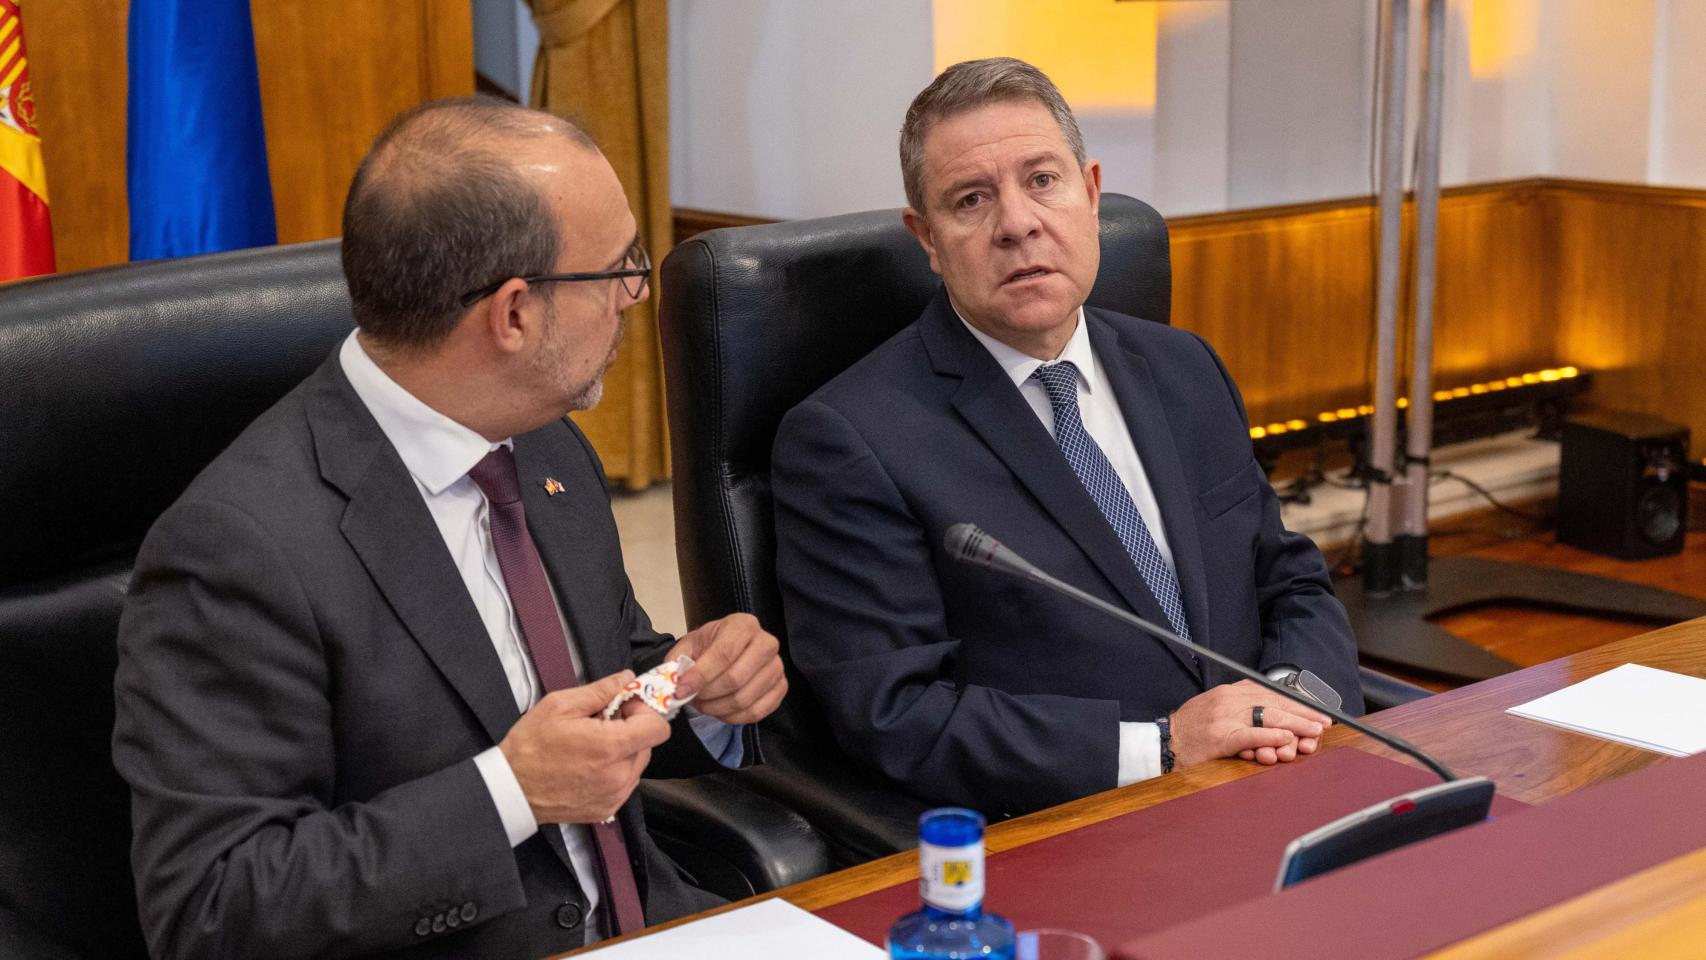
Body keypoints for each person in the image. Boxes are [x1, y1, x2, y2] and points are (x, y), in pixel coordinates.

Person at [112, 97, 787, 960]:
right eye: (618, 266)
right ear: (512, 313)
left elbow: (604, 674)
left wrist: (694, 689)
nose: (634, 295)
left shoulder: (546, 445)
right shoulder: (238, 548)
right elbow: (215, 907)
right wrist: (509, 789)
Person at [771, 58, 1361, 819]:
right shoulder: (851, 439)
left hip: (1279, 776)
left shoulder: (1184, 368)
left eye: (1041, 180)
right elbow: (896, 712)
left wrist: (1290, 706)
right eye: (971, 200)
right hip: (1080, 823)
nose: (1017, 223)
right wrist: (1166, 745)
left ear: (1089, 192)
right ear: (926, 237)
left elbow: (1291, 582)